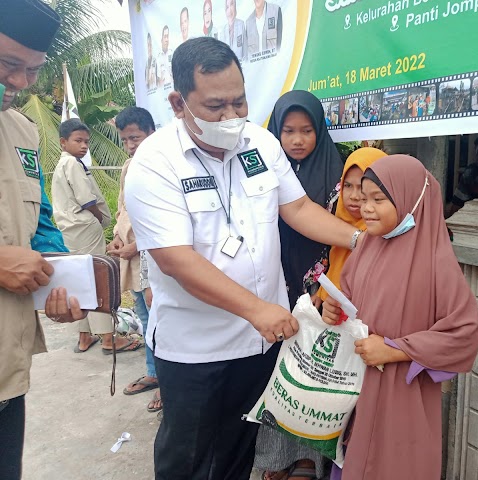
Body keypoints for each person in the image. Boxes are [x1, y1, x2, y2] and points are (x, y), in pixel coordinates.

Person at [124, 37, 360, 480]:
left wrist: (361, 238)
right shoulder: (155, 163)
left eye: (240, 101)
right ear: (179, 103)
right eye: (216, 106)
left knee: (237, 452)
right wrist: (256, 309)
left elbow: (300, 210)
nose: (232, 117)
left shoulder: (260, 144)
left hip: (258, 343)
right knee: (188, 458)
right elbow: (175, 259)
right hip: (196, 347)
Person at [322, 155, 478, 480]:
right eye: (364, 199)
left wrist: (396, 349)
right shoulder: (366, 246)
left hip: (402, 396)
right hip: (357, 387)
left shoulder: (438, 264)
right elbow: (349, 296)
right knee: (352, 460)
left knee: (393, 464)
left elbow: (463, 335)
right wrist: (333, 309)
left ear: (412, 200)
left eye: (378, 199)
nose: (366, 208)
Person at [0, 2, 89, 478]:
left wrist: (65, 282)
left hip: (7, 364)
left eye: (31, 70)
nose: (19, 82)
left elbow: (41, 226)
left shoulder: (23, 131)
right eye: (8, 64)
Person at [253, 90, 344, 480]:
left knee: (315, 376)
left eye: (307, 130)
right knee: (278, 375)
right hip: (273, 287)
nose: (297, 139)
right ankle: (276, 458)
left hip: (322, 290)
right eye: (288, 130)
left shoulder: (337, 171)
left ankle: (308, 460)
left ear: (319, 131)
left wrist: (320, 290)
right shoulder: (257, 170)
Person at [51, 120, 140, 354]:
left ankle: (84, 336)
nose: (84, 146)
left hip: (70, 230)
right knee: (97, 279)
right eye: (78, 141)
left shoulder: (63, 164)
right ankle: (109, 339)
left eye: (87, 142)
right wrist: (99, 218)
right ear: (63, 142)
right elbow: (87, 199)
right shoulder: (72, 164)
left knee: (78, 280)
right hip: (84, 226)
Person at [109, 107, 162, 412]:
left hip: (154, 257)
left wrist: (138, 246)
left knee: (161, 321)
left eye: (135, 137)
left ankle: (167, 384)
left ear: (150, 133)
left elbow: (167, 220)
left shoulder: (162, 166)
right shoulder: (129, 166)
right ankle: (155, 374)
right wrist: (118, 236)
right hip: (132, 258)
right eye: (125, 139)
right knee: (144, 317)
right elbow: (122, 208)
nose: (130, 145)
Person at [317, 147, 387, 301]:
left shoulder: (385, 233)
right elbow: (336, 265)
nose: (354, 196)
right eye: (347, 186)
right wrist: (322, 293)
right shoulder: (337, 221)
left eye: (362, 187)